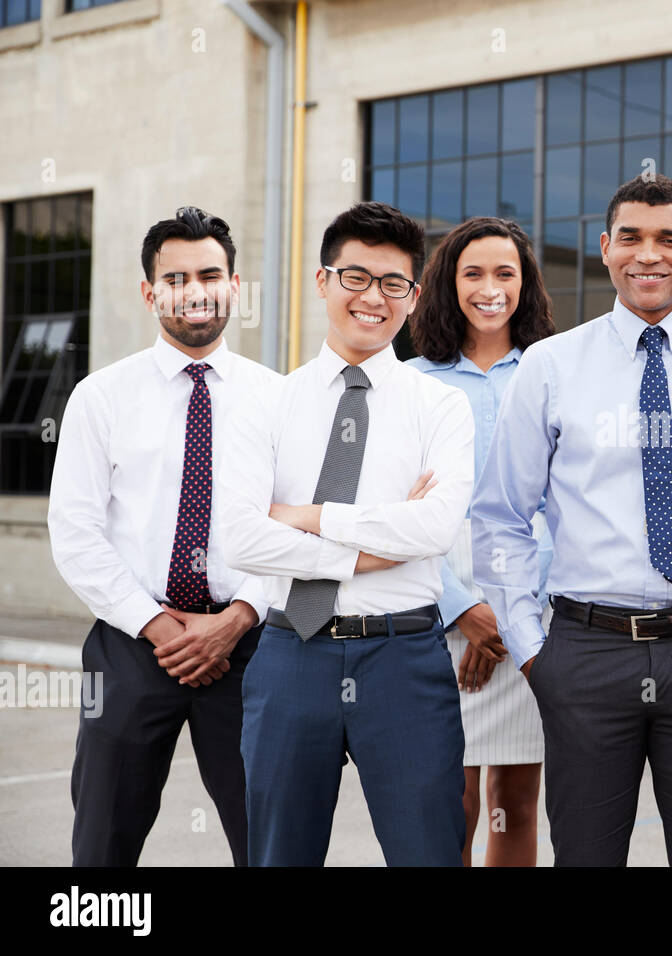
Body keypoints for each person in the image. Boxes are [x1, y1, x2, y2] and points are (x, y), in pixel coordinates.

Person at [471, 175, 672, 866]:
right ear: (604, 247)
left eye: (667, 239)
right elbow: (501, 515)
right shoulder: (551, 366)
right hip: (585, 654)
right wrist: (535, 650)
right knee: (586, 855)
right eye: (631, 237)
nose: (647, 255)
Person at [221, 202, 475, 866]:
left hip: (404, 660)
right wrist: (368, 553)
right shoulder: (267, 403)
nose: (374, 297)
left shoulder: (439, 404)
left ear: (414, 297)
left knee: (428, 851)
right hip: (287, 658)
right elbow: (241, 540)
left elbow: (436, 526)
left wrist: (308, 516)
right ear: (323, 281)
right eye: (355, 277)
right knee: (279, 855)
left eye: (393, 283)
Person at [48, 206, 276, 866]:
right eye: (175, 278)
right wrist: (159, 628)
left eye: (210, 274)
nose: (194, 290)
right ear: (151, 292)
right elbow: (76, 532)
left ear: (234, 285)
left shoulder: (277, 399)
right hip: (130, 645)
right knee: (102, 841)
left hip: (249, 650)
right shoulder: (101, 398)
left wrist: (236, 618)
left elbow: (292, 530)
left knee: (268, 835)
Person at [406, 216, 556, 866]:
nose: (490, 287)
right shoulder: (412, 382)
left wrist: (510, 619)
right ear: (448, 281)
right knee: (452, 804)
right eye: (474, 273)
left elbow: (569, 506)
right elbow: (397, 515)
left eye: (505, 273)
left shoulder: (554, 371)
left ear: (525, 285)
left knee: (518, 803)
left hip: (536, 618)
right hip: (438, 614)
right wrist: (464, 612)